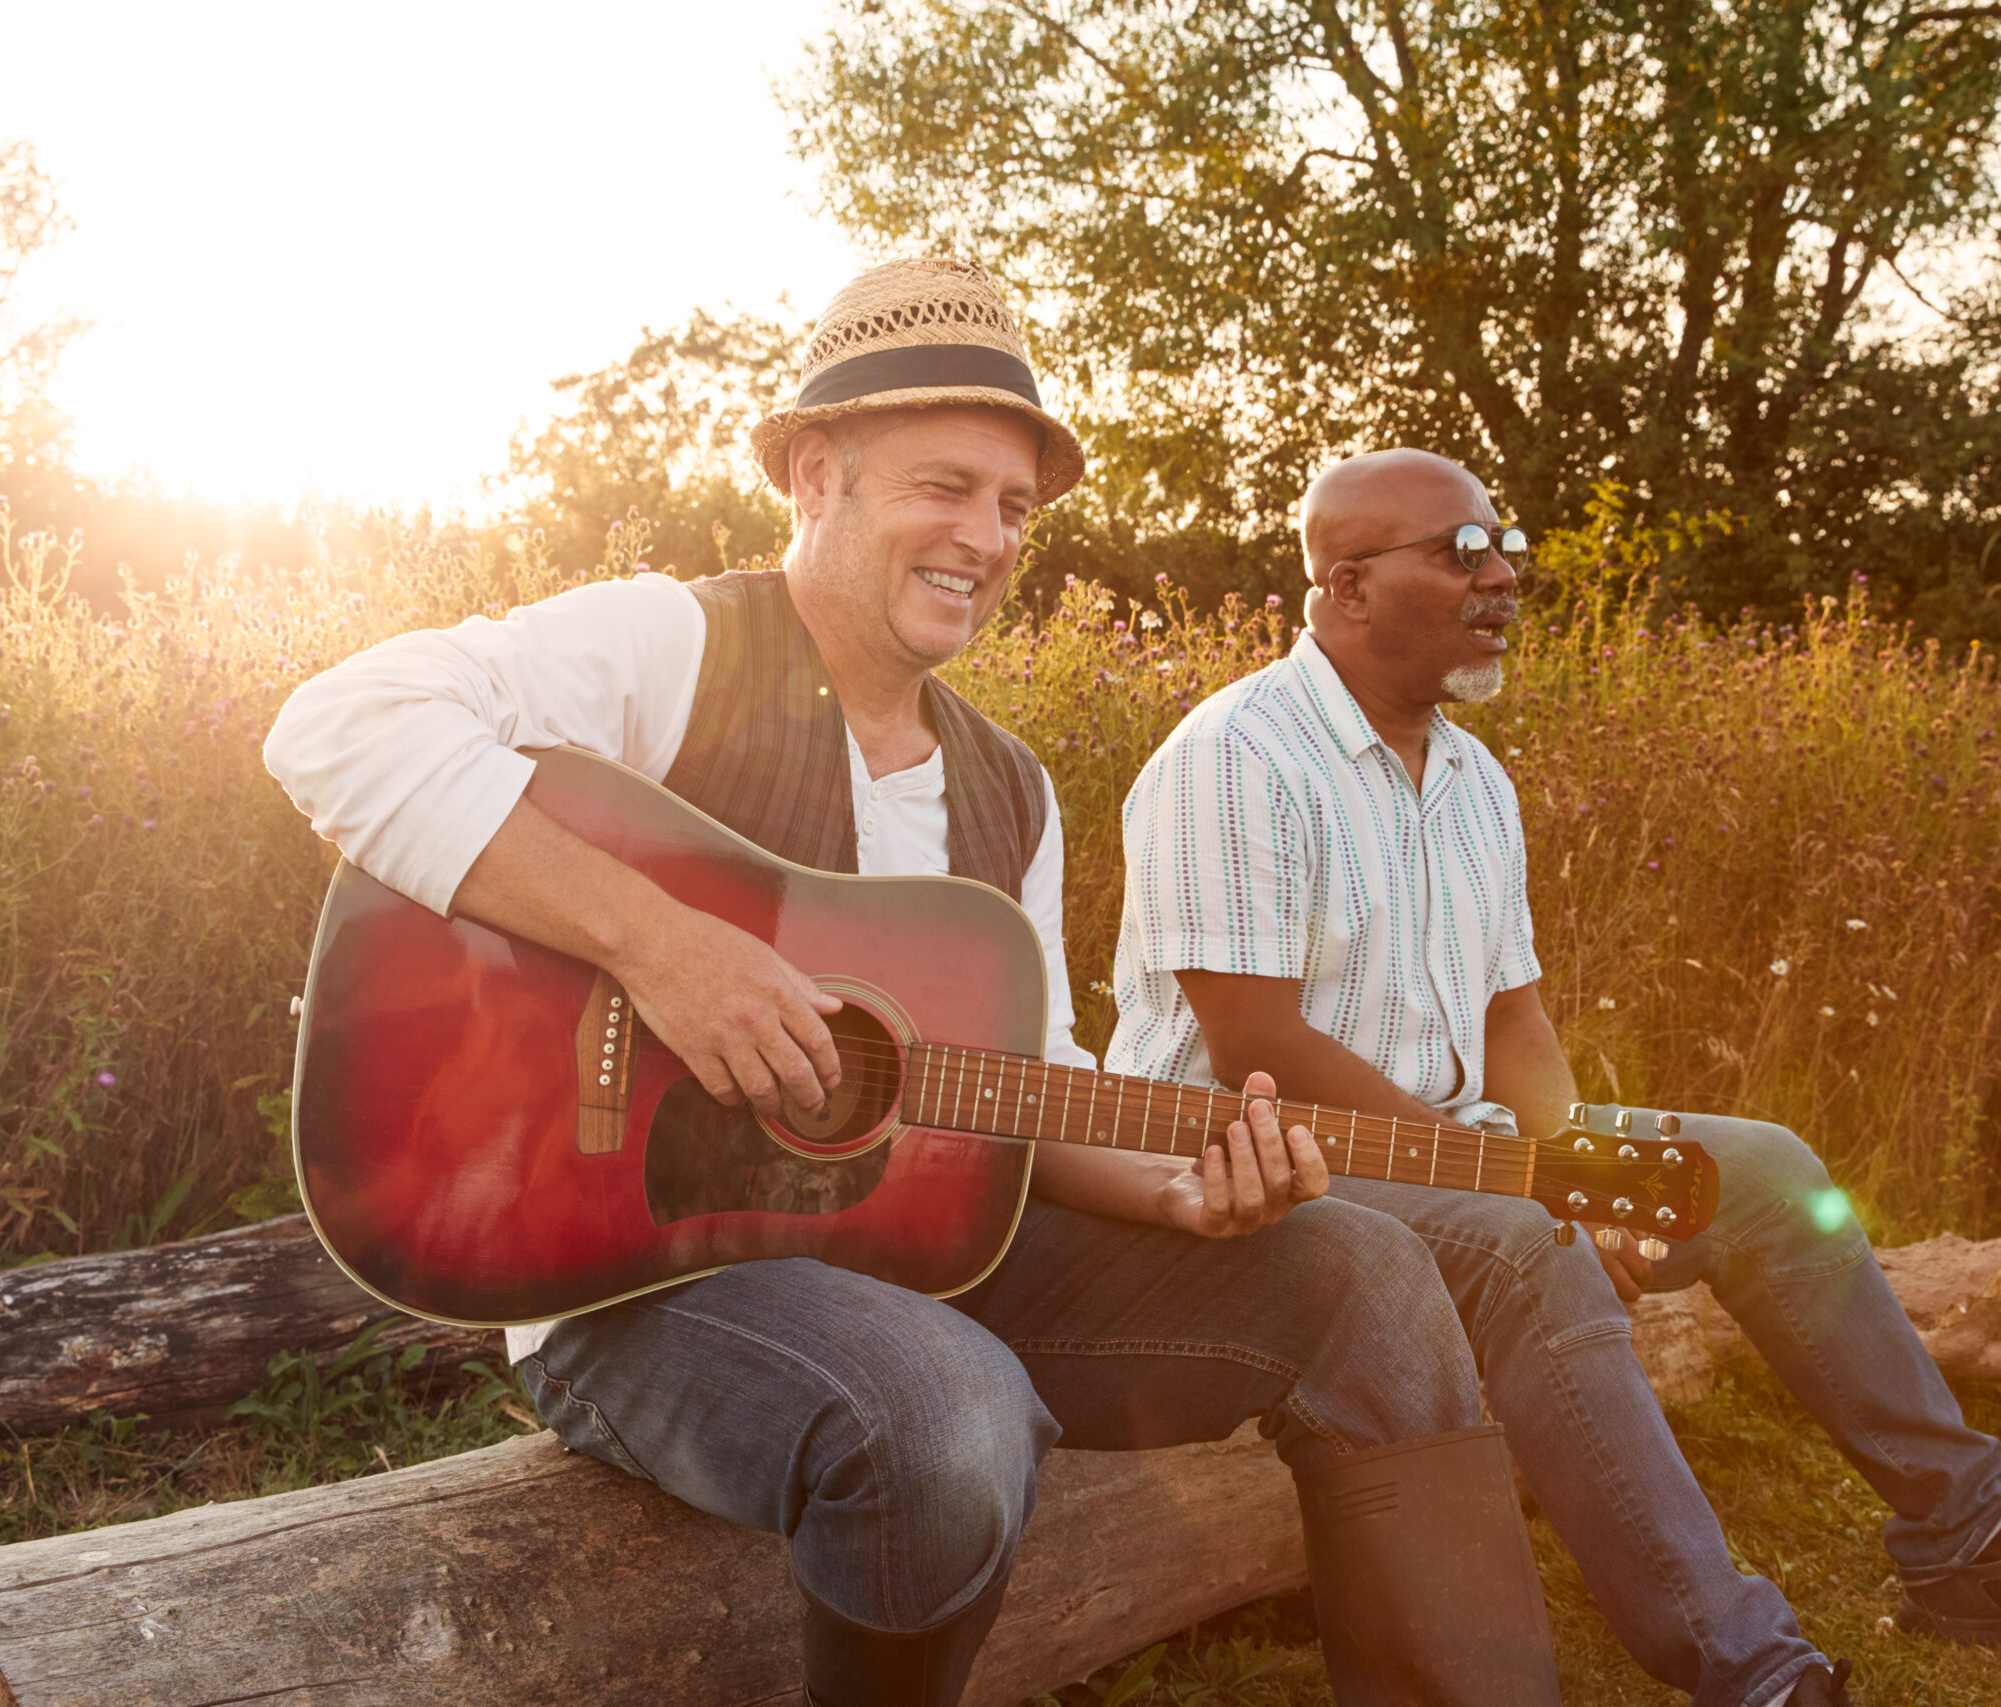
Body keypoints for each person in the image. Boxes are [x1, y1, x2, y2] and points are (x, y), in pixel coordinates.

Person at [263, 265, 1560, 1707]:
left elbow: (1029, 1089)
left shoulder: (1007, 790)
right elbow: (339, 726)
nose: (987, 538)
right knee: (945, 1407)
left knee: (1363, 1266)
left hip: (923, 1257)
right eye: (947, 486)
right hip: (633, 1273)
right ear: (816, 472)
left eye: (1014, 508)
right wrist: (663, 946)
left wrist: (1175, 1187)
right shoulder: (674, 646)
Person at [1107, 448, 2001, 1707]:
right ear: (1347, 587)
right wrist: (1527, 1183)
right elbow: (1259, 1045)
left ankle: (1967, 1546)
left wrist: (1576, 1162)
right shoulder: (1236, 756)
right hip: (1256, 1173)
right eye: (1459, 550)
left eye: (1503, 542)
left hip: (1454, 1145)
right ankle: (1755, 1674)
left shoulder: (1470, 779)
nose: (1503, 573)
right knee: (1525, 1238)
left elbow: (1511, 1014)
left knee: (1759, 1173)